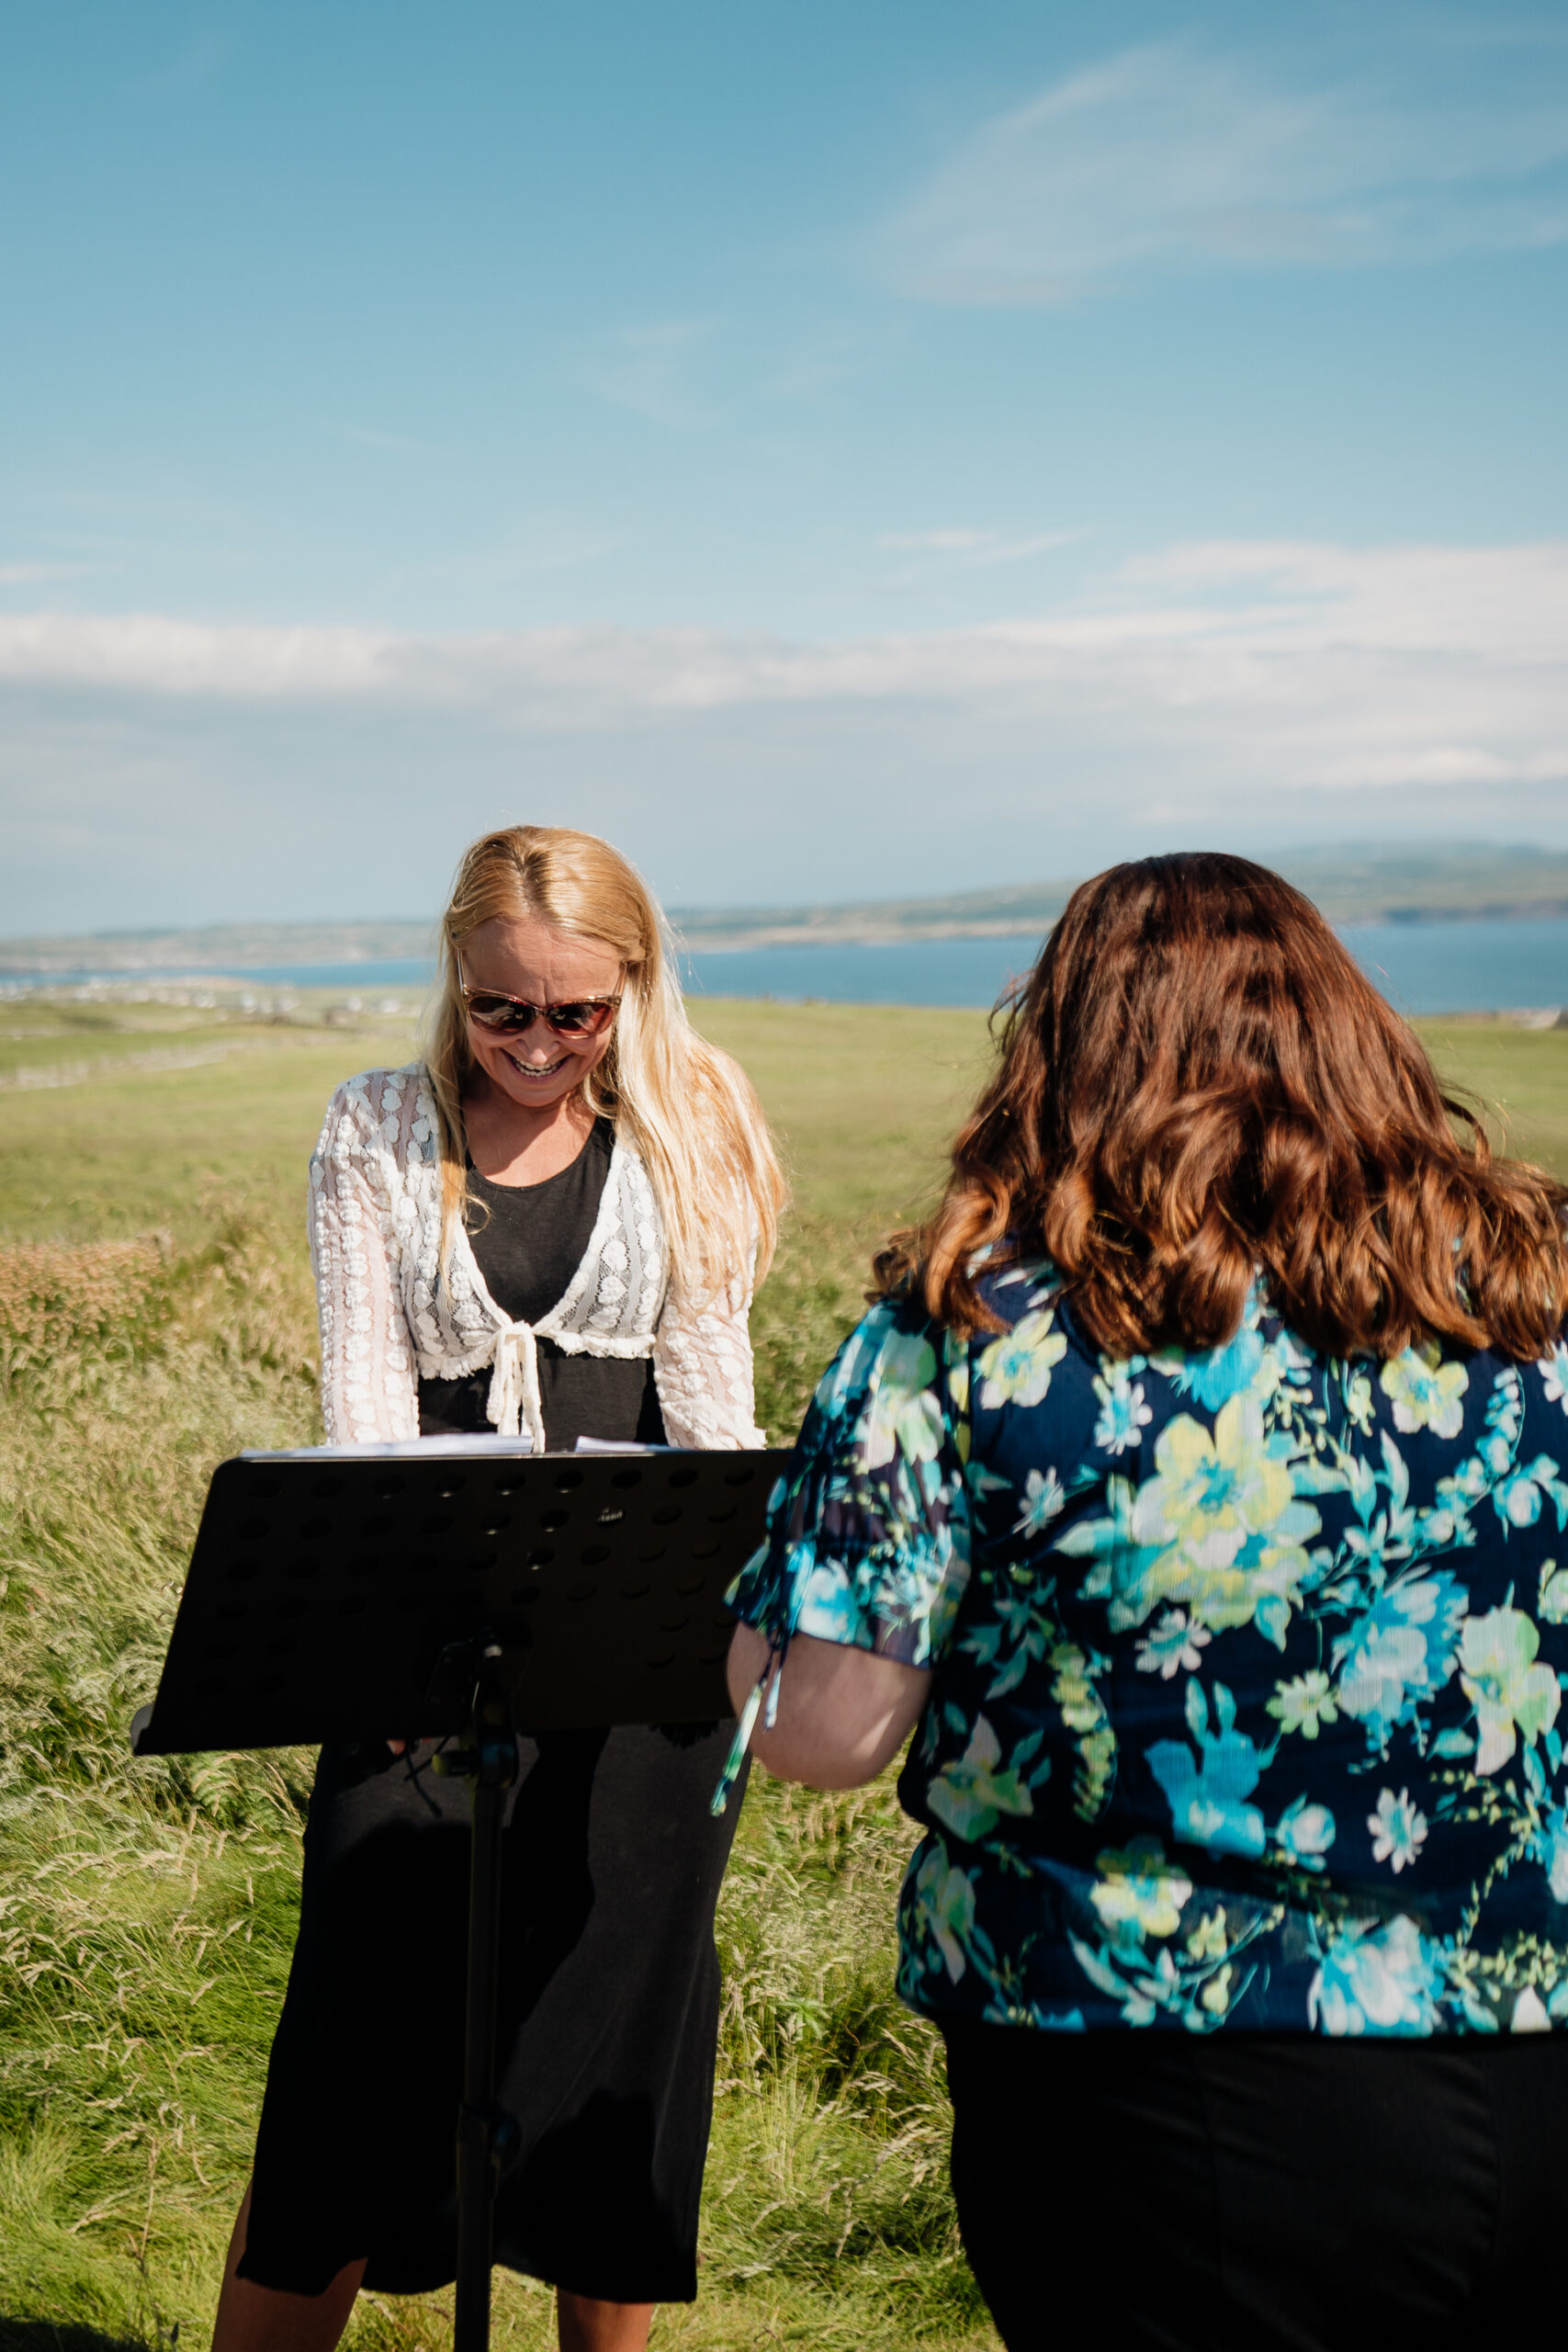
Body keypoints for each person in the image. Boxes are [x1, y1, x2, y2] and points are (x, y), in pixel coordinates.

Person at [724, 853, 1568, 2351]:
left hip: (1154, 2092)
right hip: (1530, 2050)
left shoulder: (976, 1328)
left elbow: (830, 1731)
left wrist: (749, 1643)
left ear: (1058, 1053)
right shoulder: (1528, 1298)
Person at [214, 823, 784, 2352]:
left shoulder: (695, 1119)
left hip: (645, 1654)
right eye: (503, 1010)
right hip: (424, 1647)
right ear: (456, 982)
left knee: (615, 2079)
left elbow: (711, 1403)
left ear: (634, 992)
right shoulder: (378, 1128)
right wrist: (389, 1673)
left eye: (576, 1013)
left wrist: (730, 1654)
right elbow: (363, 1410)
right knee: (354, 2066)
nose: (538, 1044)